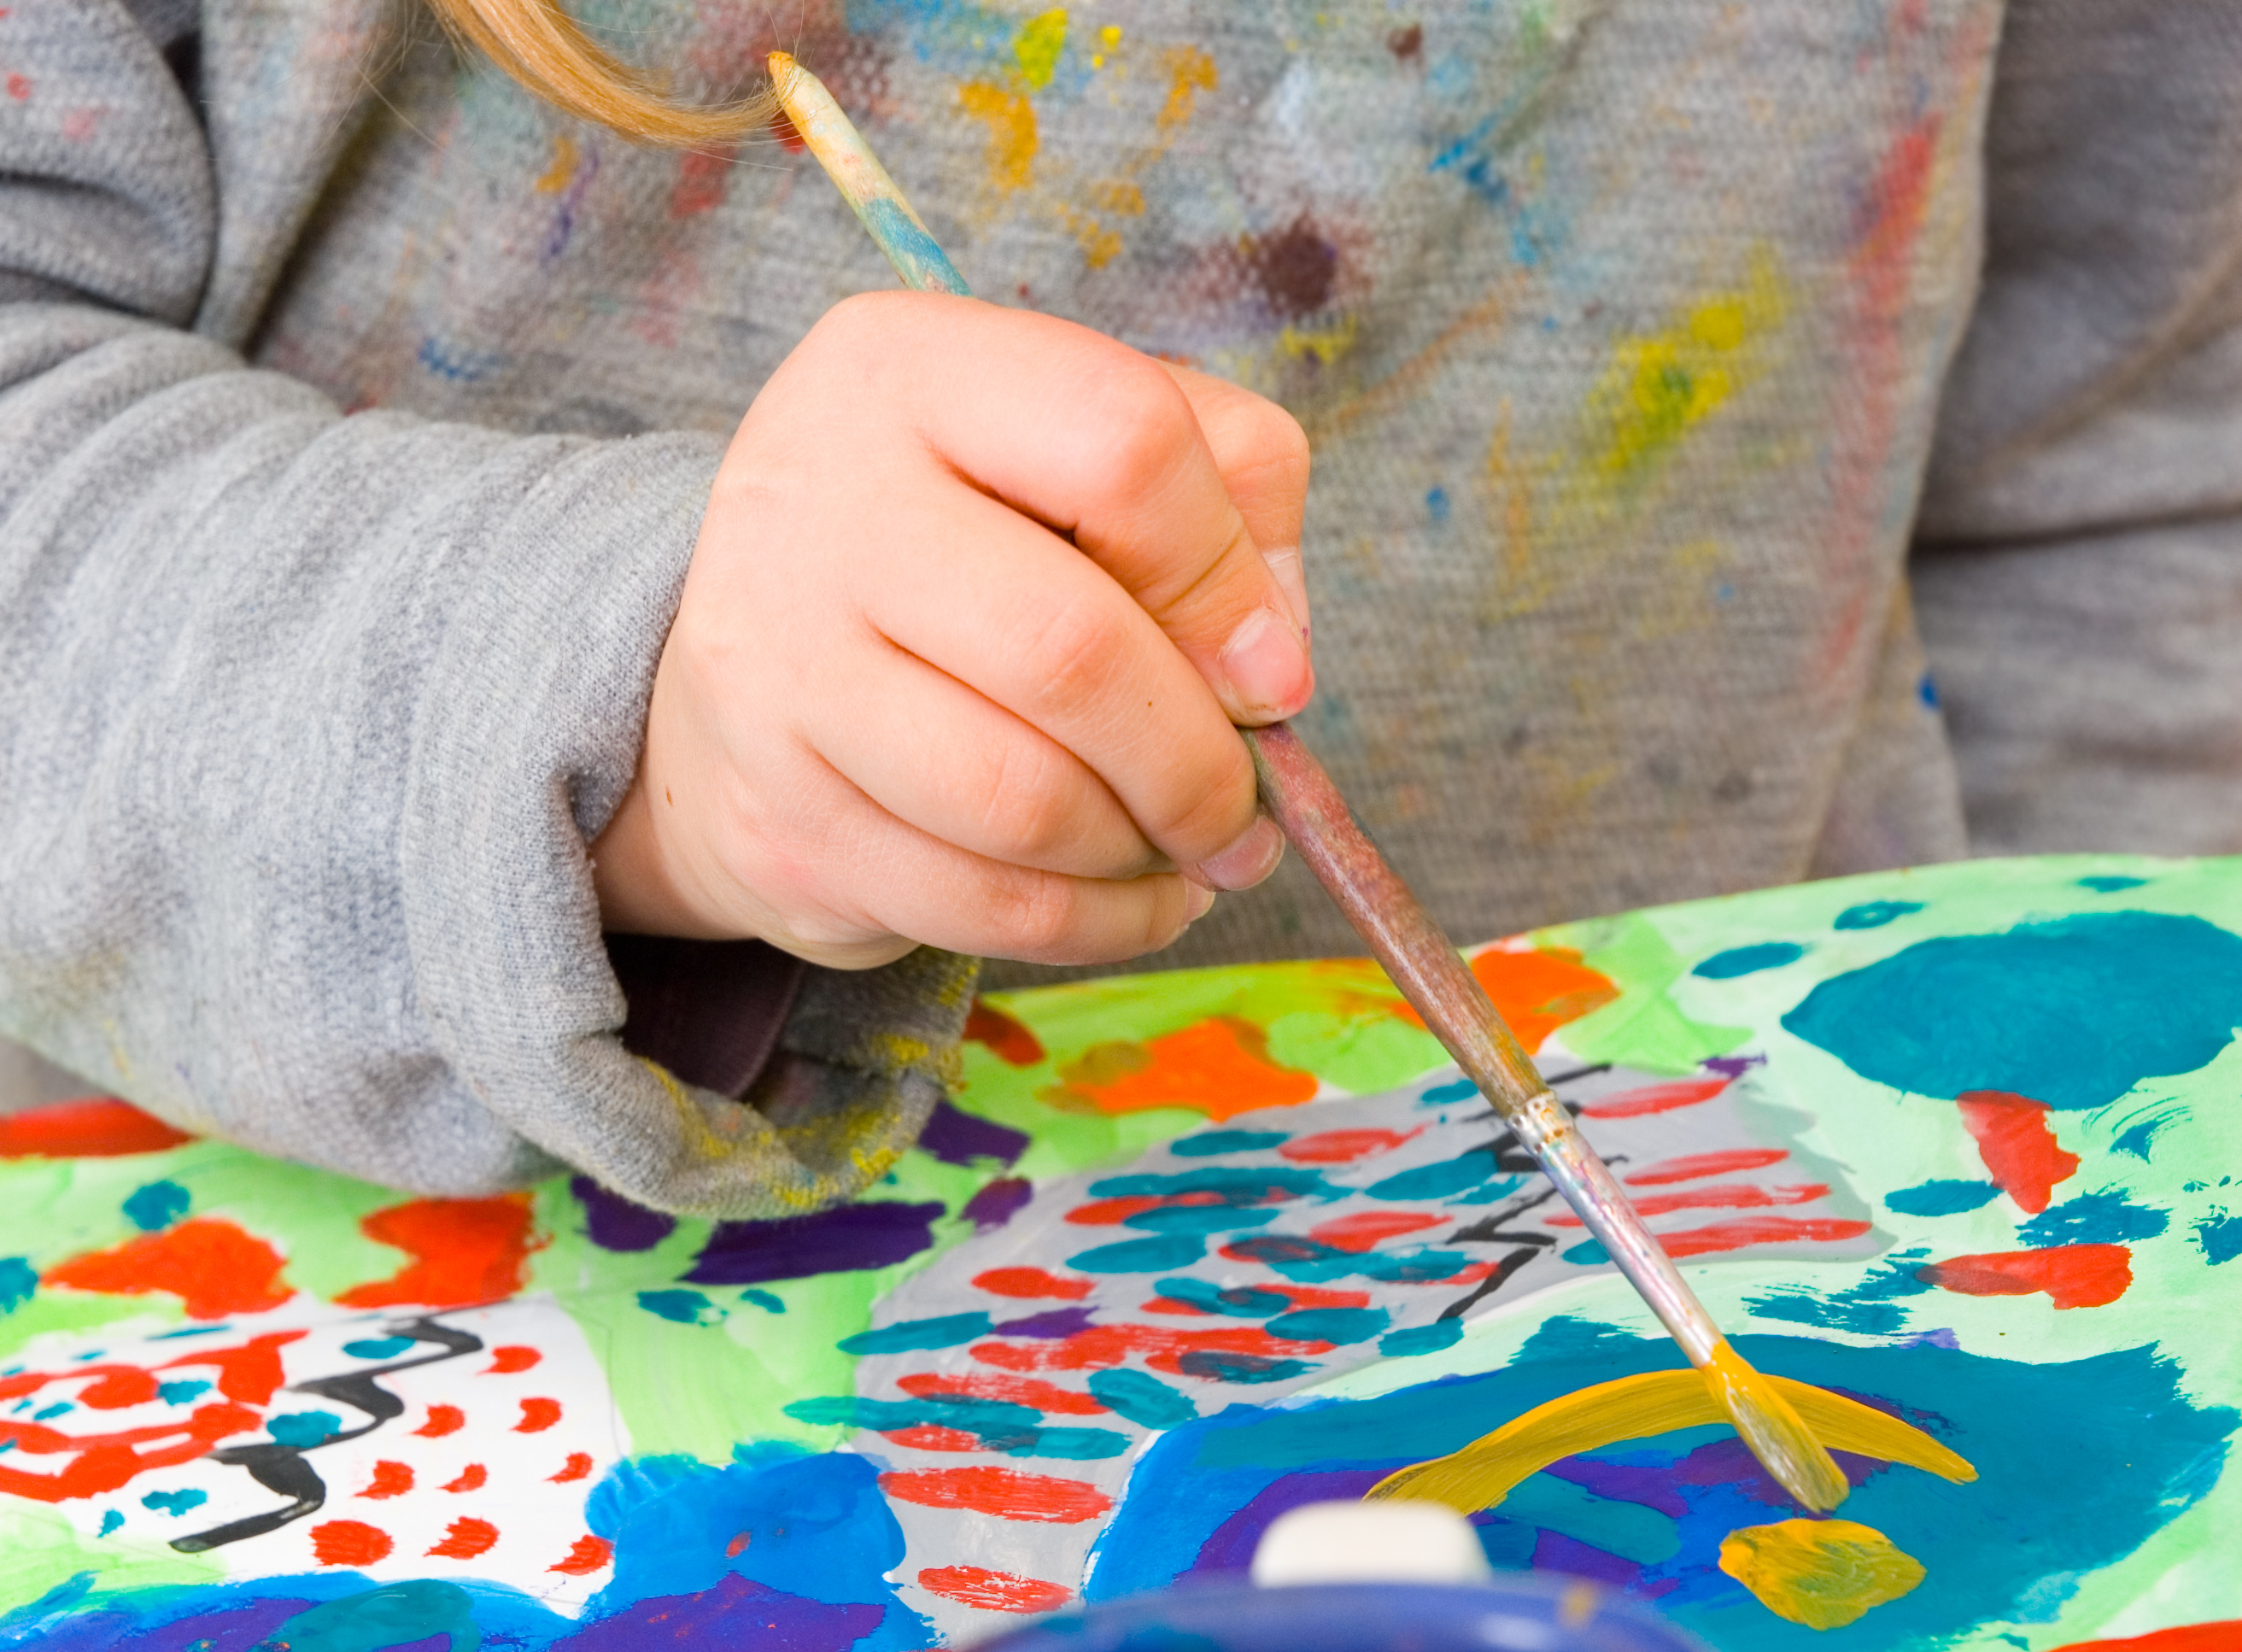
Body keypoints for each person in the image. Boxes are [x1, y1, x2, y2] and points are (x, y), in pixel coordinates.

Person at [3, 0, 2234, 1212]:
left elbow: (2125, 468)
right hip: (365, 1419)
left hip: (1744, 1325)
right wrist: (625, 707)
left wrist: (2083, 1151)